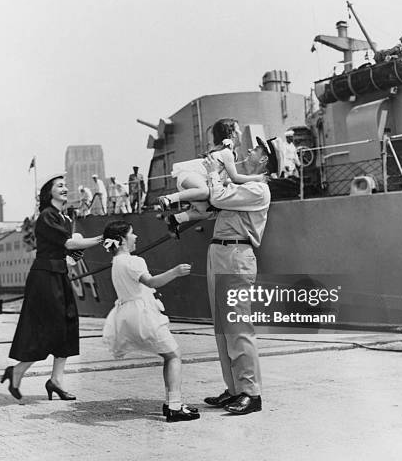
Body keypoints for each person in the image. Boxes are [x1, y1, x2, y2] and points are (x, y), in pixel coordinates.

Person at [2, 174, 103, 401]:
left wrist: (75, 254)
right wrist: (102, 238)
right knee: (47, 328)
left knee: (67, 324)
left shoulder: (65, 218)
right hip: (44, 277)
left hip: (59, 275)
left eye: (65, 185)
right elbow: (67, 243)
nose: (65, 189)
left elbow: (69, 249)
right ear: (49, 193)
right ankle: (17, 371)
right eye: (60, 186)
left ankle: (56, 381)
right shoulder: (47, 216)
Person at [201, 125, 278, 416]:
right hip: (220, 252)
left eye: (256, 149)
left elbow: (218, 198)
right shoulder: (245, 185)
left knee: (238, 326)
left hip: (236, 254)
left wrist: (212, 173)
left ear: (264, 161)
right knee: (222, 328)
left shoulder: (258, 189)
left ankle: (251, 392)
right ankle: (233, 389)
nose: (250, 151)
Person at [101, 220, 200, 422]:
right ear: (121, 240)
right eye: (132, 233)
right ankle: (174, 406)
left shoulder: (116, 263)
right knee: (174, 356)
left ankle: (172, 403)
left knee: (169, 355)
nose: (136, 236)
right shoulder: (133, 261)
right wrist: (176, 271)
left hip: (126, 314)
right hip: (143, 314)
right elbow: (152, 282)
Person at [157, 119, 267, 214]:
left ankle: (176, 219)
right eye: (238, 130)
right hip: (190, 176)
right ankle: (168, 199)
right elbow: (235, 177)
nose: (241, 133)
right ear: (233, 134)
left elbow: (225, 180)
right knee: (205, 191)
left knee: (206, 212)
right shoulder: (227, 152)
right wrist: (257, 178)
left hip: (196, 180)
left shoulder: (229, 153)